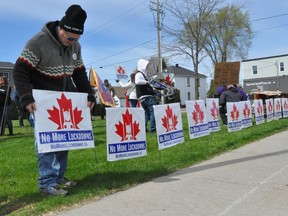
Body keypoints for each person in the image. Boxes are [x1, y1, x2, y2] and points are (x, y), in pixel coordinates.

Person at [13, 4, 95, 196]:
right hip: (39, 101)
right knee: (46, 143)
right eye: (69, 38)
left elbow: (80, 73)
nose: (72, 42)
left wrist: (89, 95)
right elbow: (20, 70)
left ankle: (59, 178)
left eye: (76, 39)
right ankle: (46, 184)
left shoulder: (75, 46)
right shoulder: (38, 42)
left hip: (61, 101)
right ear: (61, 28)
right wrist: (26, 97)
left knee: (63, 142)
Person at [135, 59, 156, 133]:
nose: (146, 67)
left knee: (146, 113)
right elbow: (137, 81)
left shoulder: (142, 74)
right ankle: (153, 129)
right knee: (153, 112)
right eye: (146, 66)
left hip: (143, 97)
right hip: (146, 96)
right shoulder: (139, 74)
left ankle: (143, 129)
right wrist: (147, 82)